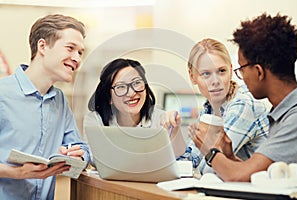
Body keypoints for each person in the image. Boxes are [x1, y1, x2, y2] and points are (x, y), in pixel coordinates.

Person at [189, 13, 297, 181]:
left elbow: (238, 176)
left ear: (258, 72)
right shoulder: (283, 115)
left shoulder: (295, 119)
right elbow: (260, 175)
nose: (240, 77)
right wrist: (230, 157)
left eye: (241, 69)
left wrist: (212, 152)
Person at [0, 14, 91, 199]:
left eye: (80, 52)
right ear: (42, 46)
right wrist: (17, 173)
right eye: (70, 48)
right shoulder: (3, 93)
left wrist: (78, 156)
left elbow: (81, 148)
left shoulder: (59, 100)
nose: (77, 58)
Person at [175, 38, 269, 174]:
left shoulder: (243, 105)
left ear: (231, 70)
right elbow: (191, 160)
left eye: (221, 71)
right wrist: (173, 134)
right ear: (192, 76)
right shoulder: (210, 108)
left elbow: (210, 169)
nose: (215, 81)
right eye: (206, 74)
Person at [84, 58, 186, 156]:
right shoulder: (96, 120)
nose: (132, 93)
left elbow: (181, 160)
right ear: (109, 97)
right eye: (121, 87)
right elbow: (95, 159)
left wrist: (175, 131)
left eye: (137, 83)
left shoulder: (161, 119)